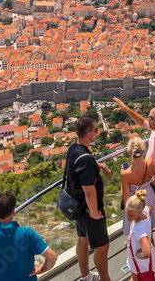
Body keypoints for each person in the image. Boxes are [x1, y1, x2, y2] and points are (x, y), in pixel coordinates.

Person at [114, 96, 155, 251]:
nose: (148, 120)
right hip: (152, 180)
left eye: (151, 118)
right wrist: (127, 109)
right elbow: (140, 121)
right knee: (153, 213)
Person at [65, 117, 113, 281]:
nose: (98, 132)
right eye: (96, 130)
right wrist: (94, 212)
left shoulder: (74, 148)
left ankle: (85, 277)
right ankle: (105, 279)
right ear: (88, 134)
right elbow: (89, 190)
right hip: (89, 209)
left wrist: (102, 166)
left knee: (82, 240)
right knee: (102, 246)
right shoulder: (84, 157)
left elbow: (84, 166)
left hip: (77, 206)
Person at [121, 136, 155, 239]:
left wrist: (122, 177)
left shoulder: (126, 173)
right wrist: (148, 183)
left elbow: (125, 199)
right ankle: (151, 252)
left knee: (137, 234)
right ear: (143, 150)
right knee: (149, 233)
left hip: (135, 203)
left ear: (129, 152)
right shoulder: (150, 163)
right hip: (149, 198)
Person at [125, 189, 155, 281]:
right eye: (126, 213)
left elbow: (147, 252)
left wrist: (138, 255)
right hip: (146, 263)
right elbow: (150, 207)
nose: (127, 217)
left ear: (139, 212)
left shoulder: (139, 229)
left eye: (130, 215)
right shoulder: (145, 211)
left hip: (140, 264)